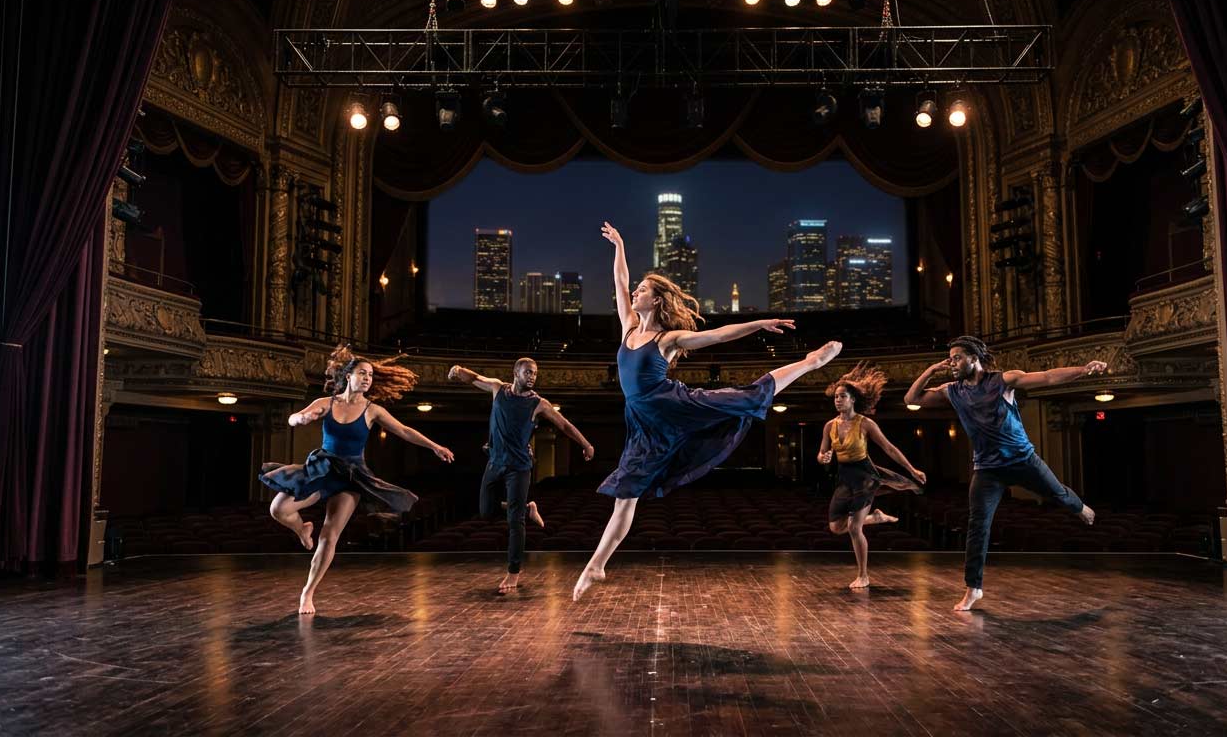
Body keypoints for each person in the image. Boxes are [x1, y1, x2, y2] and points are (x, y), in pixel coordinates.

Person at [573, 221, 843, 601]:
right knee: (626, 493)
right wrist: (619, 245)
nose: (635, 292)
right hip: (645, 424)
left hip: (675, 403)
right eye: (638, 288)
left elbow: (718, 335)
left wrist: (760, 323)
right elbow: (620, 281)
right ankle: (597, 564)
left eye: (644, 290)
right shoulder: (628, 327)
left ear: (657, 300)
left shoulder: (668, 339)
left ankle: (809, 363)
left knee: (745, 396)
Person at [903, 335, 1104, 611]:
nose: (952, 363)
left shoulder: (1002, 381)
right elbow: (911, 398)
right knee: (978, 526)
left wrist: (1082, 370)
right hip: (987, 469)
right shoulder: (953, 390)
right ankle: (973, 588)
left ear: (974, 358)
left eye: (957, 357)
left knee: (1057, 494)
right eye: (950, 358)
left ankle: (1080, 506)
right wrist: (930, 371)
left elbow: (1046, 378)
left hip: (1023, 460)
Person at [260, 345, 455, 614]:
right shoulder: (327, 403)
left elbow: (404, 430)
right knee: (278, 509)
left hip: (351, 477)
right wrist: (300, 418)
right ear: (348, 375)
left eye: (371, 375)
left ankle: (308, 593)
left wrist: (434, 446)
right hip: (323, 467)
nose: (367, 378)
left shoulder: (372, 410)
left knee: (329, 535)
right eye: (363, 373)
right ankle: (301, 529)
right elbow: (295, 417)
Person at [448, 358, 596, 593]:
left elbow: (564, 425)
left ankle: (513, 572)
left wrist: (586, 444)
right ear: (515, 373)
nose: (532, 376)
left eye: (535, 373)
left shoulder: (539, 403)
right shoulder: (498, 388)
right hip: (495, 463)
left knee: (514, 521)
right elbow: (475, 378)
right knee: (486, 511)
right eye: (528, 372)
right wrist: (458, 371)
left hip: (519, 467)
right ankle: (528, 509)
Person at [818, 362, 926, 589]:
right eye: (836, 397)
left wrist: (911, 469)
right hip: (844, 477)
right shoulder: (830, 425)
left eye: (842, 396)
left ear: (853, 399)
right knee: (836, 527)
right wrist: (823, 458)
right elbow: (822, 453)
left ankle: (863, 575)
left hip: (865, 475)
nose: (838, 400)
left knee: (855, 529)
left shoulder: (865, 424)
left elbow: (889, 448)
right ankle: (876, 518)